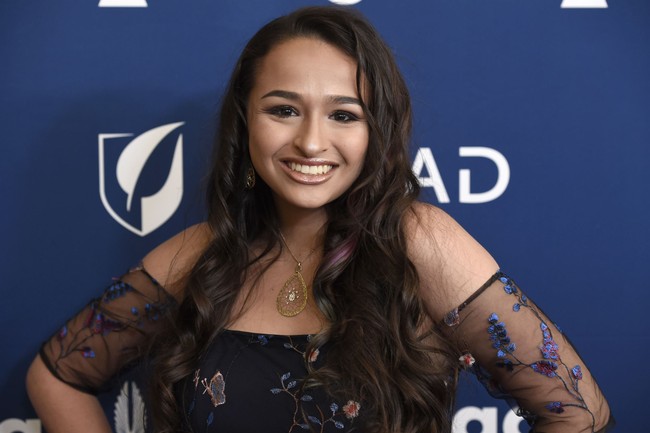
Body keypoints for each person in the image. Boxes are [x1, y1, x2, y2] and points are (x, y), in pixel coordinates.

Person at [26, 6, 613, 433]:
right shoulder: (202, 253)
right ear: (245, 123)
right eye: (283, 110)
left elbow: (578, 413)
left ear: (376, 130)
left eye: (343, 114)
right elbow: (57, 376)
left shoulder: (419, 240)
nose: (311, 141)